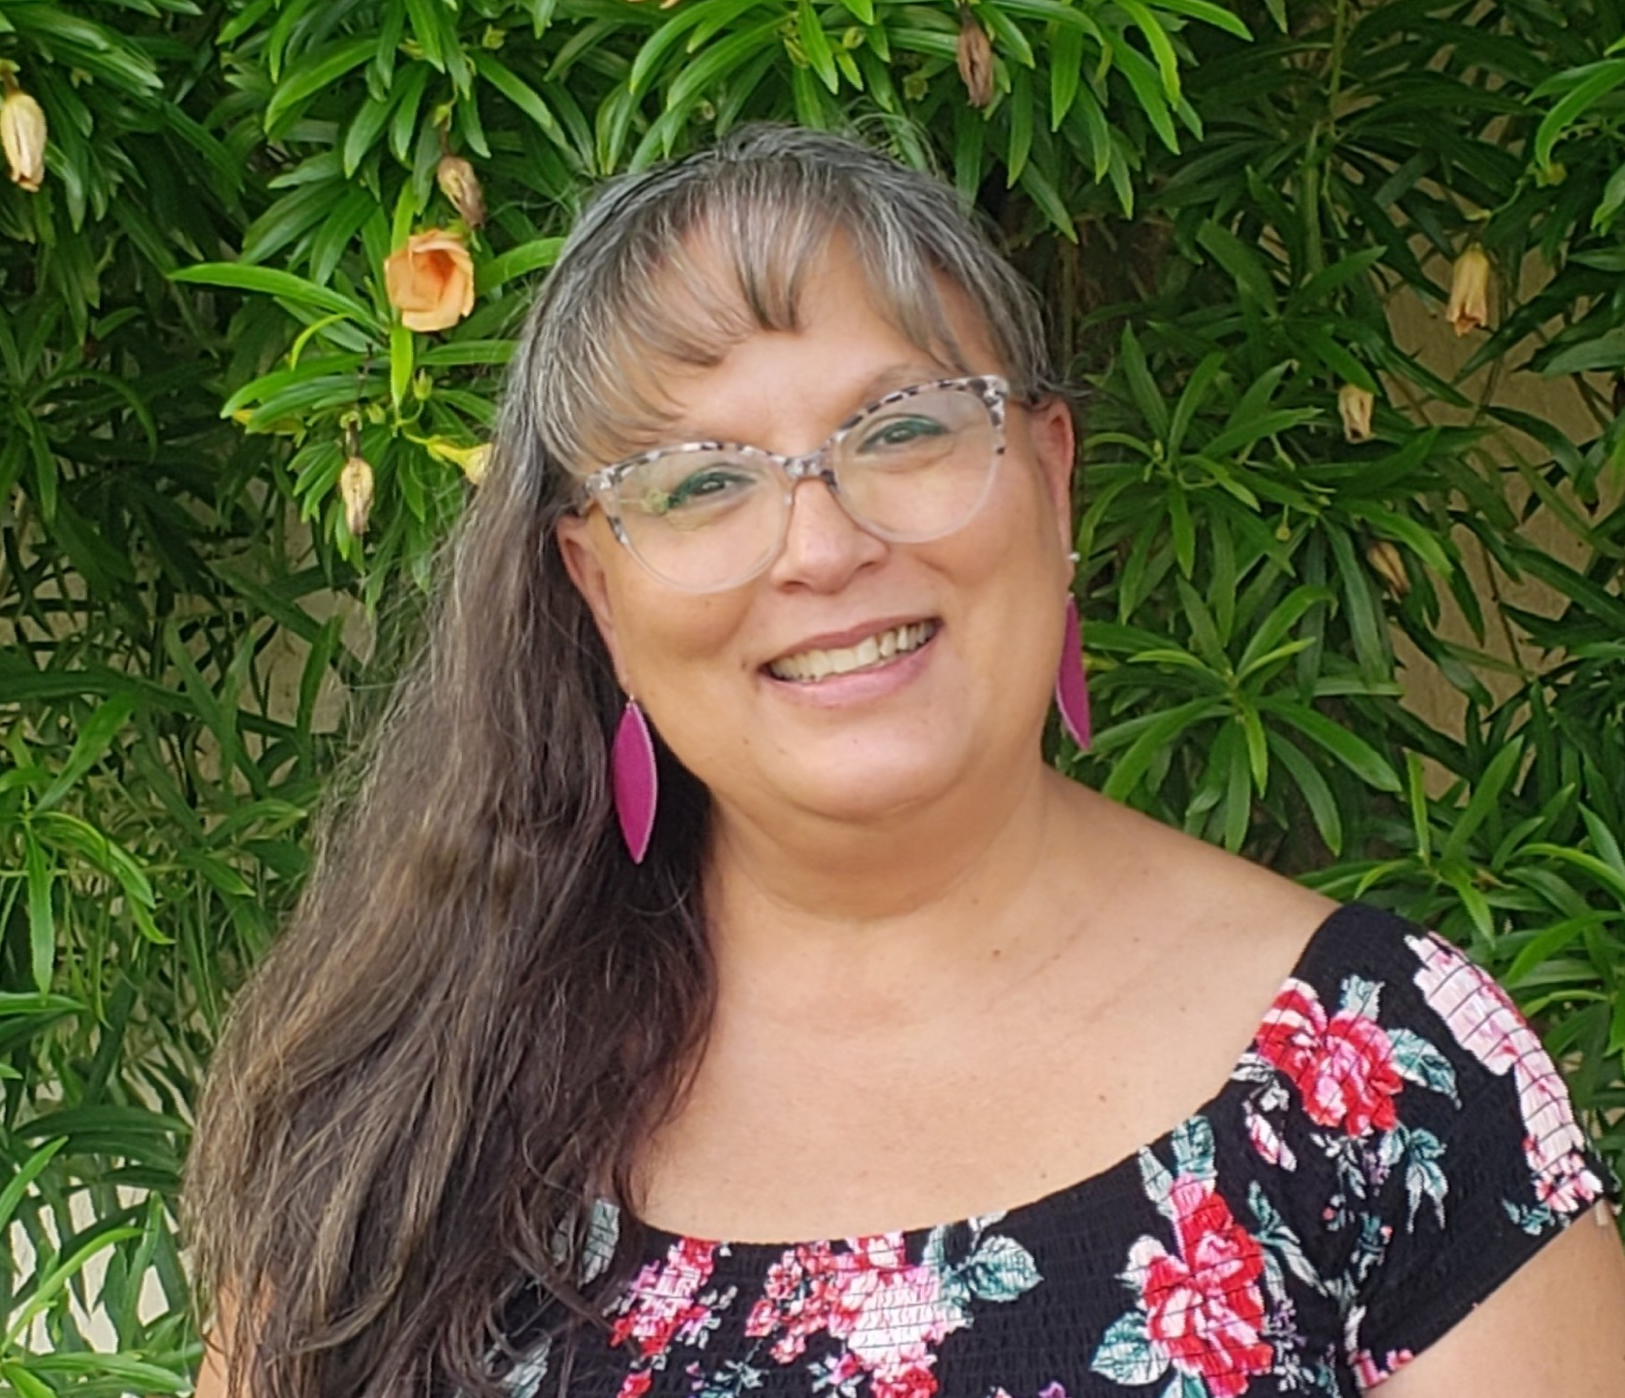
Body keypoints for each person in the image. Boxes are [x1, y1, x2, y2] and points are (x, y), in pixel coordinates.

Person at [187, 124, 1625, 1398]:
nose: (822, 544)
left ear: (1053, 476)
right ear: (599, 590)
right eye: (698, 481)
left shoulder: (1387, 1072)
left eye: (904, 429)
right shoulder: (408, 1118)